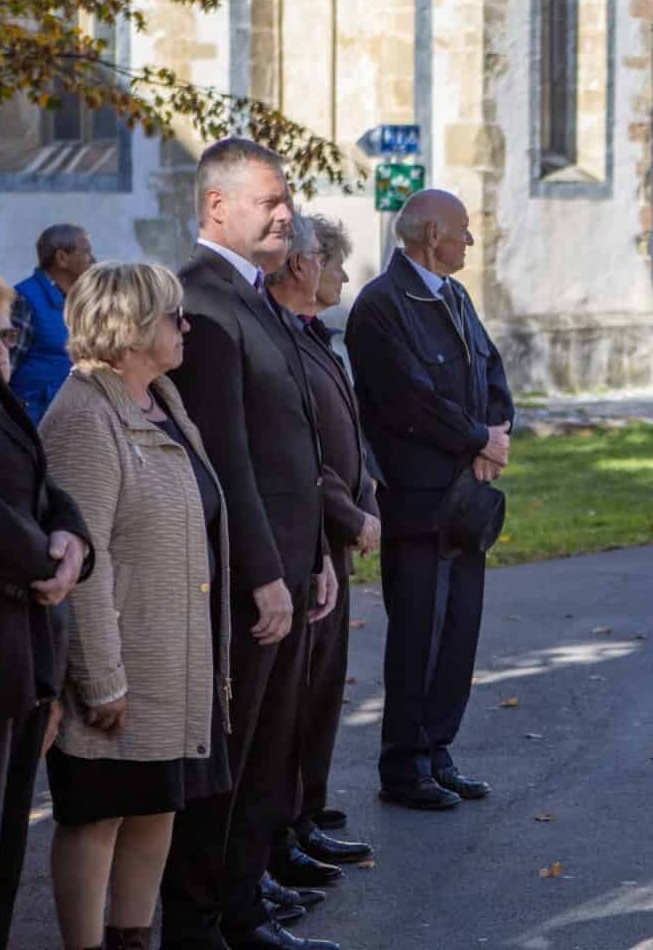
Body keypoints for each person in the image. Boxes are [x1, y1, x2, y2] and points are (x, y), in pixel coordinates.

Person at [161, 138, 338, 950]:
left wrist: (318, 554)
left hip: (292, 564)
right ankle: (201, 923)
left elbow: (292, 441)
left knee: (269, 753)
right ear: (217, 207)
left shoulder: (256, 296)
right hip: (246, 576)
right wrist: (265, 571)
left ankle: (244, 907)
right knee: (230, 760)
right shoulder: (202, 300)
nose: (285, 215)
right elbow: (226, 456)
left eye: (287, 200)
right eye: (269, 201)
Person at [39, 263, 232, 950]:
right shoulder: (85, 417)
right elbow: (84, 562)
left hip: (174, 659)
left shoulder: (162, 401)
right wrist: (101, 679)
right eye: (174, 316)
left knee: (156, 807)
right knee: (98, 816)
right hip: (120, 666)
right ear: (130, 326)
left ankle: (130, 939)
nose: (186, 326)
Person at [345, 189, 513, 811]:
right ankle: (403, 766)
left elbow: (492, 373)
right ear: (432, 234)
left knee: (459, 631)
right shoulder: (381, 305)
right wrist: (476, 438)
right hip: (417, 500)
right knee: (419, 633)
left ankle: (438, 751)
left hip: (465, 496)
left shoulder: (455, 296)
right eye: (462, 229)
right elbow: (408, 399)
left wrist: (496, 436)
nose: (470, 240)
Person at [0, 269, 91, 950]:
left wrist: (71, 535)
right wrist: (43, 554)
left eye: (6, 339)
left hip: (18, 651)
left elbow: (36, 482)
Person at [267, 216, 377, 872]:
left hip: (330, 536)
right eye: (336, 265)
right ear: (305, 265)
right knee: (299, 691)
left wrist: (368, 501)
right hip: (308, 531)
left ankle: (307, 811)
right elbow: (303, 453)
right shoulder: (284, 337)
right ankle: (285, 826)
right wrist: (348, 512)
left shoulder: (316, 337)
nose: (342, 277)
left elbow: (349, 437)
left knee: (323, 686)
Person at [10, 224, 95, 425]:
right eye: (86, 251)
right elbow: (5, 366)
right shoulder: (24, 299)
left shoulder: (81, 300)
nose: (92, 259)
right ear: (62, 258)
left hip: (73, 419)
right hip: (36, 424)